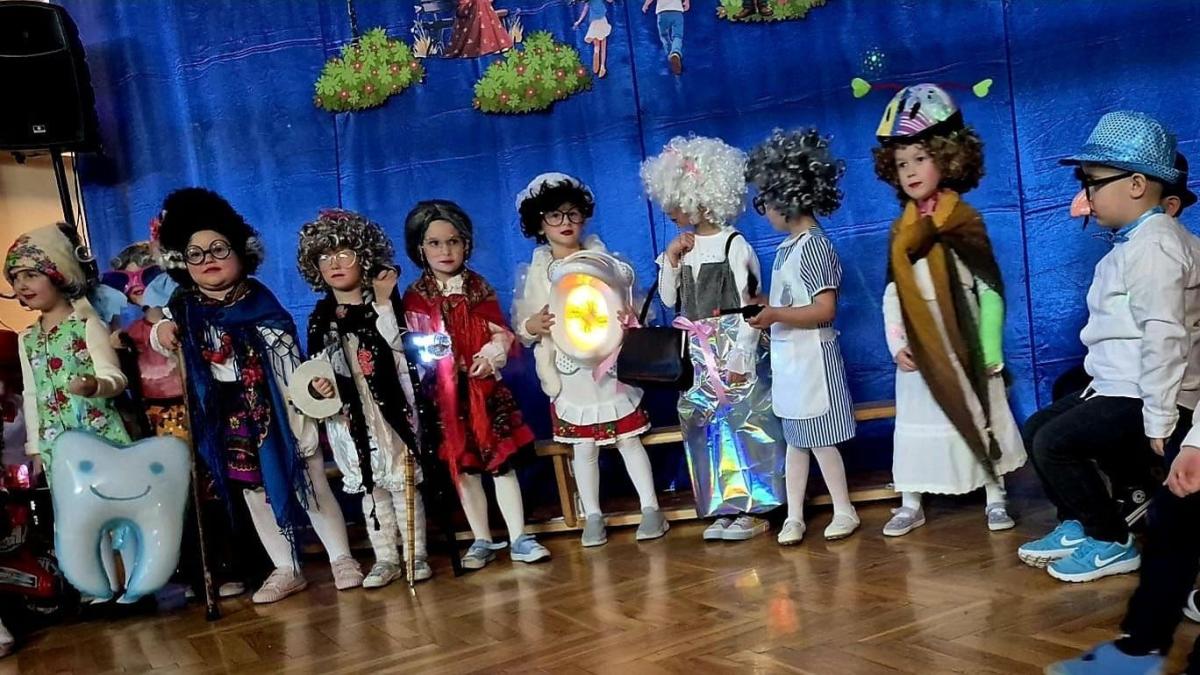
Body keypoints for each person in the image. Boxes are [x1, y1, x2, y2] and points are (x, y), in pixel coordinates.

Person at [151, 188, 360, 603]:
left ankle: (341, 557)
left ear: (241, 252)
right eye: (195, 254)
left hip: (280, 406)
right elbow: (161, 335)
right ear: (181, 262)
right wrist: (162, 330)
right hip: (228, 412)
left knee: (309, 477)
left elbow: (287, 355)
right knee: (253, 491)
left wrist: (308, 393)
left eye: (218, 249)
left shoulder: (259, 300)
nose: (208, 260)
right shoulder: (185, 307)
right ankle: (286, 566)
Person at [1020, 112, 1200, 585]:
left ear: (1137, 184)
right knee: (1039, 428)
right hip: (1118, 383)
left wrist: (1159, 417)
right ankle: (1080, 520)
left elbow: (1165, 333)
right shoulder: (1134, 244)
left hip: (1146, 392)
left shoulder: (1157, 245)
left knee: (1055, 442)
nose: (1087, 196)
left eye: (1094, 182)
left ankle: (1110, 539)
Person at [873, 84, 1026, 538]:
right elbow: (892, 293)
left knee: (980, 412)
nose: (910, 170)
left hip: (966, 343)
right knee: (918, 421)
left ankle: (994, 493)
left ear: (947, 157)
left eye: (920, 158)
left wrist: (990, 349)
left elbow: (990, 289)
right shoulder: (901, 230)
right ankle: (912, 499)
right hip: (920, 345)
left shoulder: (964, 221)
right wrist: (897, 343)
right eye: (902, 163)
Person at [644, 136, 787, 542]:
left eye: (674, 200)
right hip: (697, 353)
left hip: (731, 347)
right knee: (705, 428)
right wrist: (671, 260)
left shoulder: (734, 245)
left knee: (747, 423)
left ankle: (758, 507)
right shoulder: (683, 248)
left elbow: (751, 303)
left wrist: (742, 353)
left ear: (699, 196)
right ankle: (723, 506)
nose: (668, 209)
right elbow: (669, 300)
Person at [513, 173, 667, 547]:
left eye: (573, 213)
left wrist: (629, 319)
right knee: (583, 447)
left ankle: (651, 507)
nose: (565, 222)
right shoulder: (536, 272)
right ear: (539, 223)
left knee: (629, 439)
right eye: (555, 215)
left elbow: (632, 308)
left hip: (609, 365)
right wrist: (533, 324)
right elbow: (523, 324)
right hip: (569, 373)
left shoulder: (604, 261)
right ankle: (593, 514)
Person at [403, 200, 551, 569]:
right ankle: (482, 538)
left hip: (485, 390)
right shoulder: (416, 296)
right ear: (420, 248)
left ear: (465, 244)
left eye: (453, 241)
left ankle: (518, 536)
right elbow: (416, 344)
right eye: (435, 243)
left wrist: (490, 355)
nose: (445, 250)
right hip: (446, 397)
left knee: (502, 464)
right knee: (464, 468)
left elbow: (501, 333)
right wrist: (438, 361)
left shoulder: (478, 288)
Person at [746, 128, 860, 545]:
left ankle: (844, 509)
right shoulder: (786, 249)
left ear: (786, 197)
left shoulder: (815, 247)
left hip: (813, 361)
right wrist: (766, 304)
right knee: (796, 442)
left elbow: (824, 309)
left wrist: (776, 313)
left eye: (764, 201)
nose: (764, 212)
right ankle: (794, 515)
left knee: (822, 443)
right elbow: (791, 300)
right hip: (792, 362)